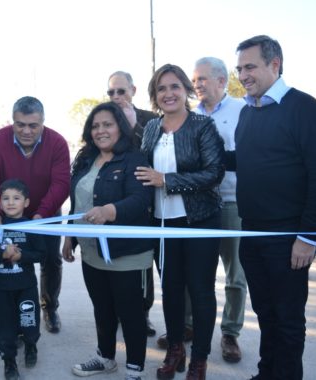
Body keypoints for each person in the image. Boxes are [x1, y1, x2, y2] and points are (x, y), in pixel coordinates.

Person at [233, 35, 316, 379]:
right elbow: (246, 161)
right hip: (251, 233)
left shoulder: (304, 108)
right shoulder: (249, 113)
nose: (243, 75)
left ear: (274, 64)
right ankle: (268, 374)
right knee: (266, 314)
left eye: (250, 66)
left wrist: (307, 237)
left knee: (289, 320)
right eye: (239, 69)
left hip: (288, 238)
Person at [135, 64, 225, 380]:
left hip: (200, 220)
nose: (168, 93)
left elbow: (215, 173)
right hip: (162, 223)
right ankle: (176, 350)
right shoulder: (150, 129)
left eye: (174, 87)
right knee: (171, 289)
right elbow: (141, 172)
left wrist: (167, 180)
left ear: (185, 90)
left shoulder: (203, 126)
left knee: (200, 291)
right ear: (154, 95)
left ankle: (200, 359)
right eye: (161, 88)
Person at [62, 101, 154, 380]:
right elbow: (78, 201)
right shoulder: (85, 159)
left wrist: (109, 211)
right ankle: (105, 358)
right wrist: (70, 237)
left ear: (120, 128)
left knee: (131, 314)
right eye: (95, 126)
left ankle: (134, 368)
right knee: (102, 308)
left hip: (126, 254)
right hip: (91, 253)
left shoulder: (135, 159)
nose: (100, 130)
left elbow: (141, 200)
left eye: (107, 124)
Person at [0, 96, 70, 334]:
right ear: (13, 121)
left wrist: (40, 216)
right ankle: (13, 310)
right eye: (20, 124)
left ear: (42, 123)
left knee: (50, 258)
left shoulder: (57, 142)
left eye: (33, 125)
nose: (26, 131)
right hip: (6, 214)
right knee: (9, 257)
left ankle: (49, 307)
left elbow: (60, 184)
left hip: (45, 213)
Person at [191, 56, 247, 364]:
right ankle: (187, 326)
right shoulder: (188, 115)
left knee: (235, 274)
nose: (197, 84)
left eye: (202, 78)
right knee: (195, 271)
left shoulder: (243, 110)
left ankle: (230, 333)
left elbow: (248, 154)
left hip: (232, 202)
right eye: (194, 79)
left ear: (222, 81)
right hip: (197, 204)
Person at [107, 71, 157, 338]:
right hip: (110, 203)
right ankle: (115, 314)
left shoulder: (149, 119)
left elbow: (151, 155)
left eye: (121, 91)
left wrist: (132, 124)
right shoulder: (104, 117)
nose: (116, 97)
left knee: (141, 266)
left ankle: (143, 314)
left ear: (133, 90)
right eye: (111, 93)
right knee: (112, 260)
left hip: (141, 204)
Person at [0, 179, 47, 380]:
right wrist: (2, 255)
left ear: (26, 202)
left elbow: (41, 254)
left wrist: (22, 256)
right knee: (4, 326)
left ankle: (30, 345)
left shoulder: (32, 226)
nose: (11, 202)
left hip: (26, 287)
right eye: (6, 198)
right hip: (1, 288)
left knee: (29, 323)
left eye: (16, 198)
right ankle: (9, 361)